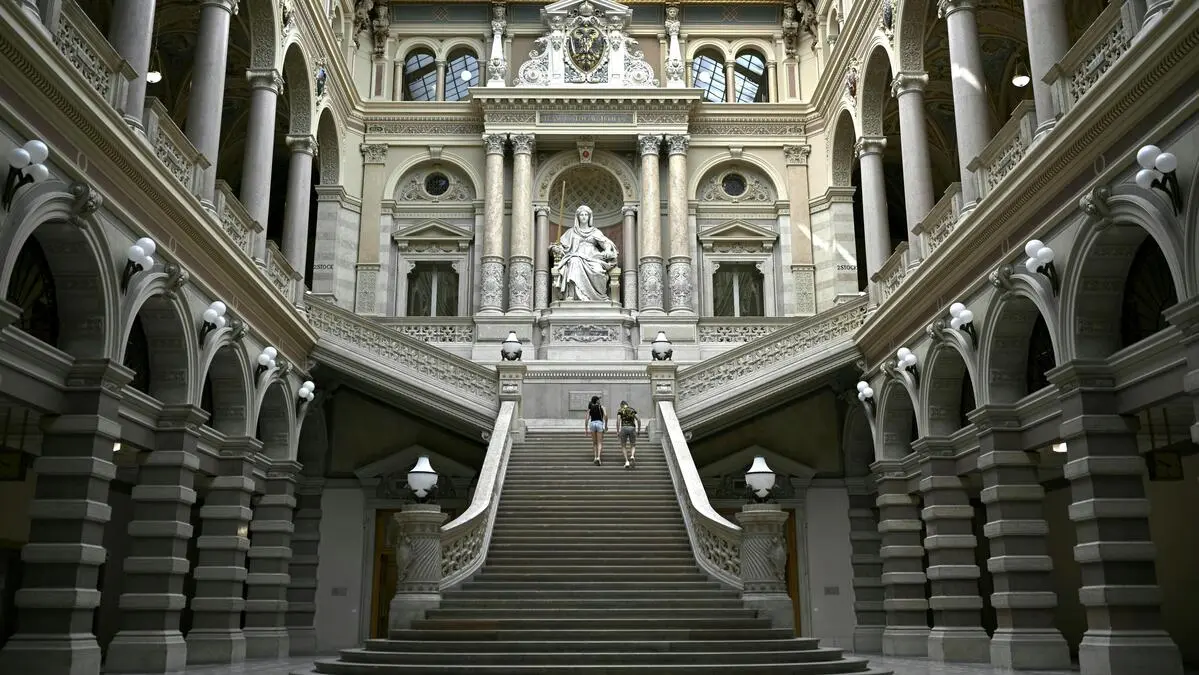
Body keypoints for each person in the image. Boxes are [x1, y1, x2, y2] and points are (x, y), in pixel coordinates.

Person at [552, 204, 618, 301]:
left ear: (589, 217)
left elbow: (606, 244)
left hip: (593, 258)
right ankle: (572, 295)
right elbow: (559, 245)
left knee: (598, 271)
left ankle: (600, 297)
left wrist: (607, 250)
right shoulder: (571, 232)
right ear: (578, 217)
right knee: (574, 261)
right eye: (581, 215)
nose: (583, 217)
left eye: (586, 215)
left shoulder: (595, 231)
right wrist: (557, 248)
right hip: (576, 256)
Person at [616, 400, 640, 469]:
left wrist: (618, 431)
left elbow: (618, 421)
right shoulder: (632, 410)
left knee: (623, 445)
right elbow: (638, 420)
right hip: (632, 428)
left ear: (621, 405)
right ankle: (632, 455)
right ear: (627, 404)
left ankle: (627, 461)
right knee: (633, 444)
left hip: (624, 428)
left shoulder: (620, 410)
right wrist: (638, 430)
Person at [585, 395, 607, 465]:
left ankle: (595, 457)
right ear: (597, 401)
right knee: (599, 442)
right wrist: (606, 425)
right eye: (598, 399)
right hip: (599, 423)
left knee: (594, 443)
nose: (599, 400)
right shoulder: (602, 407)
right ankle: (598, 457)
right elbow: (606, 416)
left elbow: (587, 419)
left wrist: (586, 429)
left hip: (592, 423)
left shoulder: (590, 409)